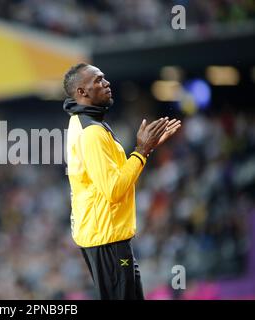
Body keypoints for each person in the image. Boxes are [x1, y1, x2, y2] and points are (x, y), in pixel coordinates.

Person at [63, 63, 181, 300]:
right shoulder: (92, 132)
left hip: (104, 236)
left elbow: (110, 177)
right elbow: (114, 189)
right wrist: (141, 151)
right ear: (81, 92)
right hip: (107, 239)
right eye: (97, 80)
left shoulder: (84, 122)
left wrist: (144, 151)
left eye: (104, 78)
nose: (106, 83)